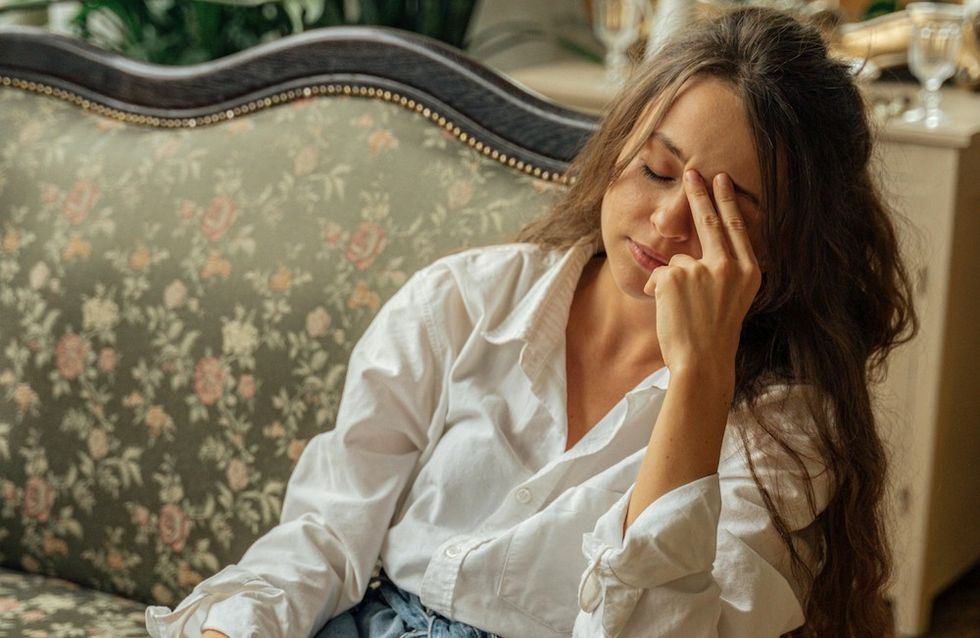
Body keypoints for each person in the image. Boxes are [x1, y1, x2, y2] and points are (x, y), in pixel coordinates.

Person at [146, 6, 916, 638]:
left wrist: (701, 378)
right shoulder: (461, 302)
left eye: (724, 212)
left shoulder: (784, 429)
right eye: (655, 170)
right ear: (617, 149)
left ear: (786, 244)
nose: (667, 221)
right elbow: (322, 537)